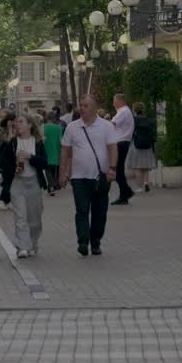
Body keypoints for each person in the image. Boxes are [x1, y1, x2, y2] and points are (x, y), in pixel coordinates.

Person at [60, 94, 119, 257]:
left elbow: (113, 148)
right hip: (78, 178)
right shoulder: (72, 127)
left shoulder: (106, 126)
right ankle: (83, 242)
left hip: (100, 178)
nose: (82, 108)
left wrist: (112, 168)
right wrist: (63, 173)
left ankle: (96, 242)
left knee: (100, 212)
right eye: (81, 105)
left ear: (94, 108)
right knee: (82, 210)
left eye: (85, 106)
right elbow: (65, 151)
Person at [0, 112, 49, 258]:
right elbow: (2, 162)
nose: (17, 124)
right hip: (17, 184)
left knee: (34, 219)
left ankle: (32, 243)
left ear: (30, 125)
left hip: (33, 183)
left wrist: (30, 157)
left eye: (21, 122)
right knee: (20, 217)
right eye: (16, 122)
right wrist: (12, 168)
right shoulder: (13, 143)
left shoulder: (37, 142)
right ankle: (22, 247)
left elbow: (44, 162)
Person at [110, 93, 136, 205]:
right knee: (118, 170)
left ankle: (127, 192)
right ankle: (124, 195)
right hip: (122, 142)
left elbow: (111, 124)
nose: (113, 103)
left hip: (120, 143)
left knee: (116, 170)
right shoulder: (124, 111)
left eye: (114, 101)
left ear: (120, 101)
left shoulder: (123, 112)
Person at [129, 102, 157, 193]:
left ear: (134, 110)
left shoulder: (133, 120)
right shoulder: (148, 120)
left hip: (136, 145)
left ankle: (140, 187)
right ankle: (146, 183)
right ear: (143, 109)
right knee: (145, 167)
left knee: (137, 167)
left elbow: (130, 132)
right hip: (147, 145)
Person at [43, 111, 63, 195]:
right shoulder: (58, 127)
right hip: (55, 150)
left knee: (47, 169)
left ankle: (51, 186)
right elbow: (61, 140)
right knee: (53, 169)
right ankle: (53, 184)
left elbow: (41, 139)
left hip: (45, 150)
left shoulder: (43, 127)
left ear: (47, 118)